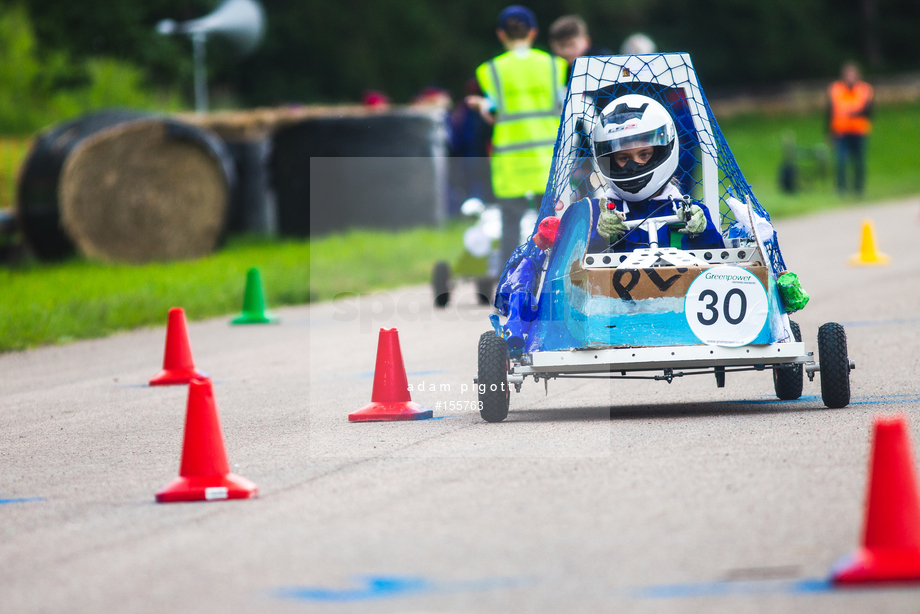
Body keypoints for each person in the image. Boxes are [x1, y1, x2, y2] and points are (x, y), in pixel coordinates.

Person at [466, 5, 568, 265]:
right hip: (547, 162)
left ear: (501, 35)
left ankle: (510, 284)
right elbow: (562, 105)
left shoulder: (491, 70)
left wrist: (480, 105)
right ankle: (552, 278)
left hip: (511, 164)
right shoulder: (554, 65)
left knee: (510, 225)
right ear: (533, 32)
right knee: (553, 225)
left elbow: (493, 113)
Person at [590, 94, 723, 251]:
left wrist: (701, 232)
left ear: (661, 152)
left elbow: (715, 261)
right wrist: (599, 236)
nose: (634, 167)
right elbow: (573, 265)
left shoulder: (689, 212)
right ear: (611, 161)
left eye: (644, 155)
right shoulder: (595, 213)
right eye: (624, 158)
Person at [827, 62, 874, 196]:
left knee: (859, 161)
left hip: (859, 131)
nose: (850, 77)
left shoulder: (864, 89)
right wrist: (828, 132)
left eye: (852, 74)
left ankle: (859, 189)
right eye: (848, 74)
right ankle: (841, 188)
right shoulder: (836, 89)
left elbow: (868, 111)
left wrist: (851, 114)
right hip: (841, 132)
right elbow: (830, 111)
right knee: (841, 160)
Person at [548, 15, 612, 81]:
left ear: (586, 42)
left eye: (571, 45)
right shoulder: (547, 65)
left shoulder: (605, 62)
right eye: (562, 45)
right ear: (552, 45)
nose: (567, 51)